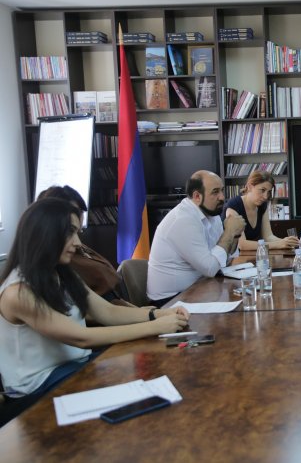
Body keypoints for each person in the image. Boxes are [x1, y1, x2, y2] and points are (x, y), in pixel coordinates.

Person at [0, 199, 189, 426]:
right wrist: (154, 327)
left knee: (148, 369)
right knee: (138, 384)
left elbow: (107, 312)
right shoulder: (18, 292)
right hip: (38, 389)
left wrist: (157, 315)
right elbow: (81, 338)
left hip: (72, 368)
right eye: (70, 233)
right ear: (44, 234)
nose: (78, 242)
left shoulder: (61, 273)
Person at [147, 171, 245, 303]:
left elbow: (225, 259)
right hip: (170, 300)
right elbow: (210, 269)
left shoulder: (212, 213)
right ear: (197, 196)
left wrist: (235, 234)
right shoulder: (183, 220)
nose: (222, 197)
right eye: (215, 192)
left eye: (222, 190)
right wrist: (229, 232)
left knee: (246, 296)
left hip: (199, 288)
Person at [36, 185, 129, 305]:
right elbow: (102, 310)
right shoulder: (63, 261)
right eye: (73, 210)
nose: (77, 242)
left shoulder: (74, 247)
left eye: (80, 212)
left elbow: (107, 309)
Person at [222, 171, 299, 251]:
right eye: (262, 190)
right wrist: (278, 244)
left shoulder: (262, 205)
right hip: (229, 256)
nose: (266, 197)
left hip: (249, 255)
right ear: (250, 186)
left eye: (268, 192)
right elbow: (242, 245)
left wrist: (286, 242)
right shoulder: (233, 206)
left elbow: (268, 236)